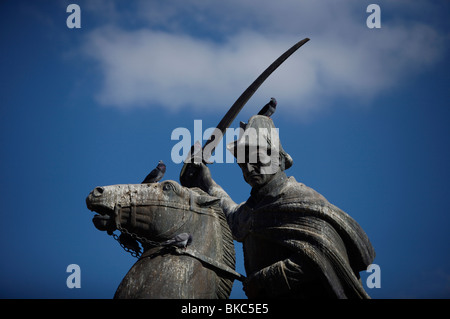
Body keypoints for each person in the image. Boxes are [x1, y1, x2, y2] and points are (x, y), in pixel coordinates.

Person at [180, 115, 375, 298]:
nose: (248, 169)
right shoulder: (254, 208)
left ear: (278, 159)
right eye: (242, 164)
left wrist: (266, 278)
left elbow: (324, 253)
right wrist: (207, 184)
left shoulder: (300, 198)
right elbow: (232, 217)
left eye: (257, 160)